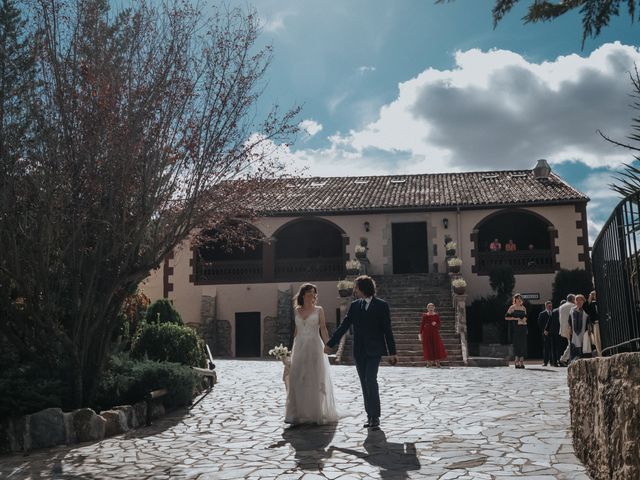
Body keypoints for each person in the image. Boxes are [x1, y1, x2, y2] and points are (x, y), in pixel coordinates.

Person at [325, 275, 398, 430]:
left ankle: (375, 416)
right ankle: (370, 416)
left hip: (375, 350)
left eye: (356, 287)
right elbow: (344, 326)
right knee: (364, 383)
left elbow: (387, 330)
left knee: (371, 379)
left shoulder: (381, 305)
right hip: (359, 351)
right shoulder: (354, 305)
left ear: (363, 288)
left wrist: (392, 352)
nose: (354, 290)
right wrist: (330, 343)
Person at [285, 283, 338, 425]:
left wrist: (328, 344)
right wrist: (290, 351)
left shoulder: (319, 310)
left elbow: (324, 329)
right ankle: (296, 413)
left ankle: (315, 412)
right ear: (303, 295)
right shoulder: (297, 310)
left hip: (315, 346)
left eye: (314, 293)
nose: (312, 296)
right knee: (298, 378)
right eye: (309, 293)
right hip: (299, 346)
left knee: (314, 378)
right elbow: (296, 331)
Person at [419, 303, 447, 368]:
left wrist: (435, 324)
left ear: (434, 308)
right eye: (429, 307)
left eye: (432, 307)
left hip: (434, 333)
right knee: (427, 347)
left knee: (436, 346)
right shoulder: (425, 315)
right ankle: (428, 363)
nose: (431, 308)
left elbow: (439, 325)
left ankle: (437, 363)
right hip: (426, 333)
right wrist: (420, 333)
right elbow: (422, 325)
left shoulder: (436, 315)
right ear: (427, 308)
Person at [505, 293, 528, 369]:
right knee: (517, 344)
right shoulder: (512, 307)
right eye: (518, 298)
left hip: (523, 328)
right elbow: (506, 317)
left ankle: (521, 362)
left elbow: (526, 317)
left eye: (520, 298)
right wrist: (515, 318)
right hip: (515, 328)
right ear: (515, 299)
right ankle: (516, 361)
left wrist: (524, 319)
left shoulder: (523, 308)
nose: (519, 300)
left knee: (523, 344)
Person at [568, 294, 591, 362]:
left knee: (583, 343)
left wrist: (589, 328)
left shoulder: (585, 309)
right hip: (575, 330)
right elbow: (569, 320)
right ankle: (575, 358)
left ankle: (583, 357)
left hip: (584, 329)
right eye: (577, 300)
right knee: (575, 343)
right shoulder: (572, 309)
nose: (578, 301)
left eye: (580, 300)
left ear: (583, 301)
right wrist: (570, 328)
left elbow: (589, 319)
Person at [558, 294, 576, 365]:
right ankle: (564, 358)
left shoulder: (561, 306)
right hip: (571, 328)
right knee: (572, 344)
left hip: (563, 328)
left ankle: (565, 358)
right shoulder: (573, 306)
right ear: (572, 299)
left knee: (571, 344)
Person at [584, 290, 602, 357]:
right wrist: (590, 299)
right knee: (597, 340)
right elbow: (586, 309)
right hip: (596, 323)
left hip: (603, 323)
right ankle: (600, 354)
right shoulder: (591, 304)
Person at [538, 301, 555, 366]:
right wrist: (544, 330)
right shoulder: (542, 314)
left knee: (553, 347)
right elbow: (540, 323)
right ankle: (545, 362)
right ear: (546, 306)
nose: (550, 307)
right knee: (546, 348)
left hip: (553, 333)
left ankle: (552, 362)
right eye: (549, 306)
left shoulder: (554, 313)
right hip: (545, 333)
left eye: (551, 306)